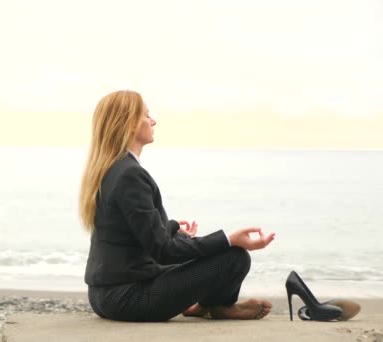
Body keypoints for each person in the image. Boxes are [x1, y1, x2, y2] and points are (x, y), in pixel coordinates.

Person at [78, 90, 276, 322]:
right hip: (129, 298)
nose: (153, 121)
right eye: (146, 115)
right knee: (234, 257)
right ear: (129, 124)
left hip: (105, 296)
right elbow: (163, 251)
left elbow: (128, 231)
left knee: (185, 242)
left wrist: (171, 228)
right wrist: (228, 239)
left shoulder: (111, 169)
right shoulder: (130, 174)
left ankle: (202, 306)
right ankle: (218, 306)